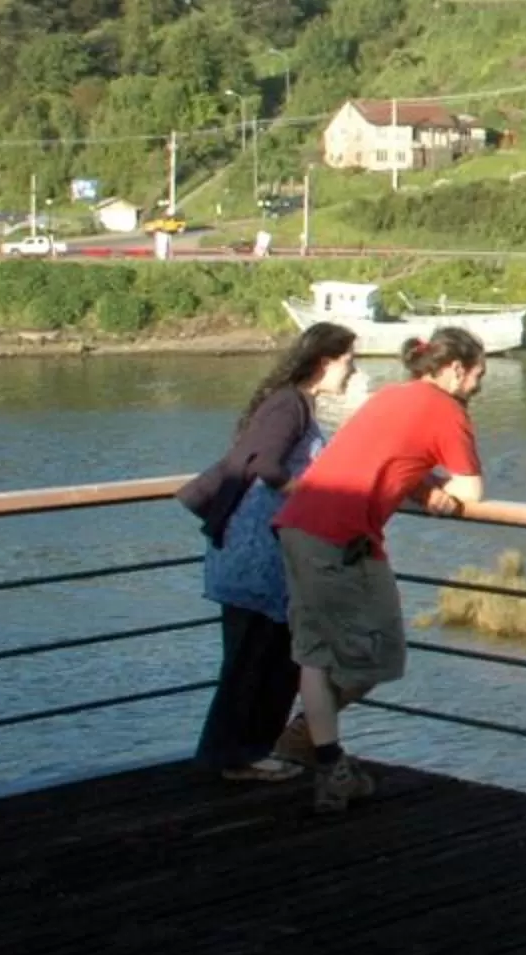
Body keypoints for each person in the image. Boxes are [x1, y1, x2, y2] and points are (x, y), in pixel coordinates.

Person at [273, 325, 489, 814]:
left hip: (298, 525)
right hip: (340, 539)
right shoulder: (446, 410)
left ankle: (330, 770)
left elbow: (387, 457)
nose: (478, 386)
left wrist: (421, 486)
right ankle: (302, 738)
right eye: (478, 375)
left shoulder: (392, 396)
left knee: (314, 654)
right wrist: (441, 494)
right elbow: (472, 493)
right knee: (381, 656)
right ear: (455, 370)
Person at [184, 322, 359, 780]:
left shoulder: (294, 402)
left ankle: (251, 752)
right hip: (257, 555)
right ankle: (232, 757)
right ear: (325, 361)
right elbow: (264, 462)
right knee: (252, 659)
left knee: (272, 656)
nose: (353, 368)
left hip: (270, 555)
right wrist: (309, 492)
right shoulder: (288, 404)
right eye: (348, 360)